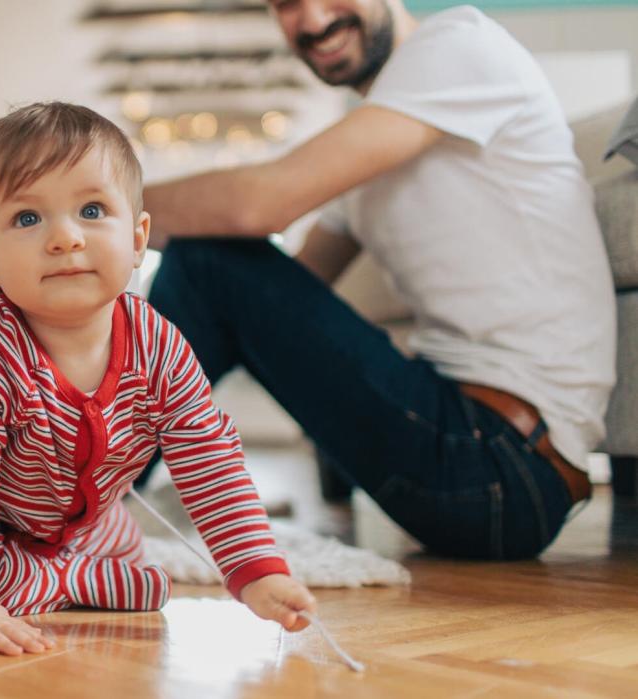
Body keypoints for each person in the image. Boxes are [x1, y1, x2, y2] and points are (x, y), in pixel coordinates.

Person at [141, 0, 616, 559]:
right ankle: (76, 483)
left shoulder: (461, 45)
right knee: (212, 268)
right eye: (287, 4)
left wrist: (88, 208)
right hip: (472, 453)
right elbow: (279, 291)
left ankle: (82, 499)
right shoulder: (374, 136)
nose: (313, 21)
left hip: (502, 462)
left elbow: (258, 208)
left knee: (204, 261)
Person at [0, 102, 316, 657]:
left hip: (85, 523)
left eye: (92, 210)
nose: (66, 237)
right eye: (27, 218)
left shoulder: (159, 345)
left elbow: (209, 459)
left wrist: (256, 570)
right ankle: (73, 579)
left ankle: (66, 571)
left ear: (139, 239)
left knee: (127, 552)